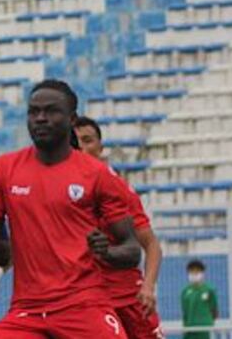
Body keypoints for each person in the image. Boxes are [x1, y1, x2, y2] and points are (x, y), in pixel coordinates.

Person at [0, 79, 141, 338]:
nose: (41, 118)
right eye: (34, 112)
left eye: (51, 111)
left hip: (84, 306)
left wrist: (107, 252)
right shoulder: (4, 169)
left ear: (72, 119)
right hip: (27, 312)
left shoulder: (98, 175)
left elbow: (132, 250)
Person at [74, 116, 165, 338]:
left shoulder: (119, 190)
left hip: (128, 298)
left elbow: (151, 244)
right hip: (88, 301)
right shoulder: (61, 193)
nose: (82, 148)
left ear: (100, 147)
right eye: (76, 143)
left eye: (88, 141)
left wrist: (148, 287)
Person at [181, 260, 218, 339]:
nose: (194, 274)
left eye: (197, 271)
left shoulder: (209, 290)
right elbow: (185, 312)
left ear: (202, 273)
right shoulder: (185, 292)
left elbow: (214, 310)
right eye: (191, 271)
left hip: (205, 328)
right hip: (189, 328)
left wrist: (207, 321)